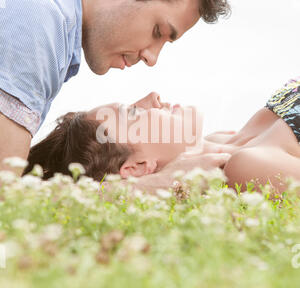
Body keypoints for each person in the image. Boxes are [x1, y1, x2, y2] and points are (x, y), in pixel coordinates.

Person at [0, 0, 230, 174]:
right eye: (158, 31)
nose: (151, 58)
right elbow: (6, 197)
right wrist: (148, 187)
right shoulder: (35, 19)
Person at [23, 79, 300, 194]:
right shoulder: (246, 165)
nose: (152, 98)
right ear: (138, 167)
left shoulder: (227, 139)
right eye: (133, 113)